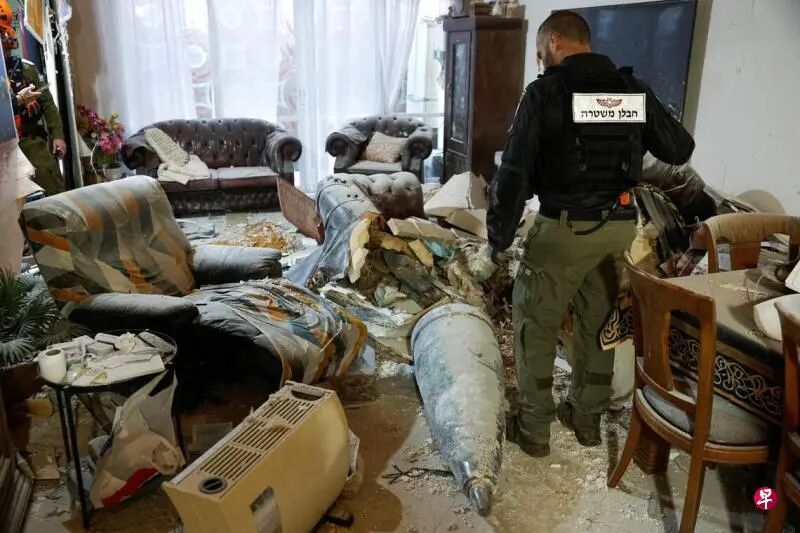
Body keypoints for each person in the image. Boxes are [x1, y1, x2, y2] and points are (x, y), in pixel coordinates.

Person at [487, 10, 694, 458]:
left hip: (564, 230)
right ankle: (586, 421)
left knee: (535, 324)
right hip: (618, 228)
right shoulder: (630, 90)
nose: (540, 60)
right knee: (599, 325)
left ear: (555, 42)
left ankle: (534, 429)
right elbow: (679, 148)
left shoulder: (545, 92)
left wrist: (497, 237)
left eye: (540, 51)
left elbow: (514, 173)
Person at [1, 0, 66, 196]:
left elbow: (48, 104)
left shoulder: (26, 69)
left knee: (48, 177)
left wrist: (57, 135)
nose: (5, 53)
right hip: (4, 145)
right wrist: (19, 100)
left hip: (28, 138)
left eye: (7, 48)